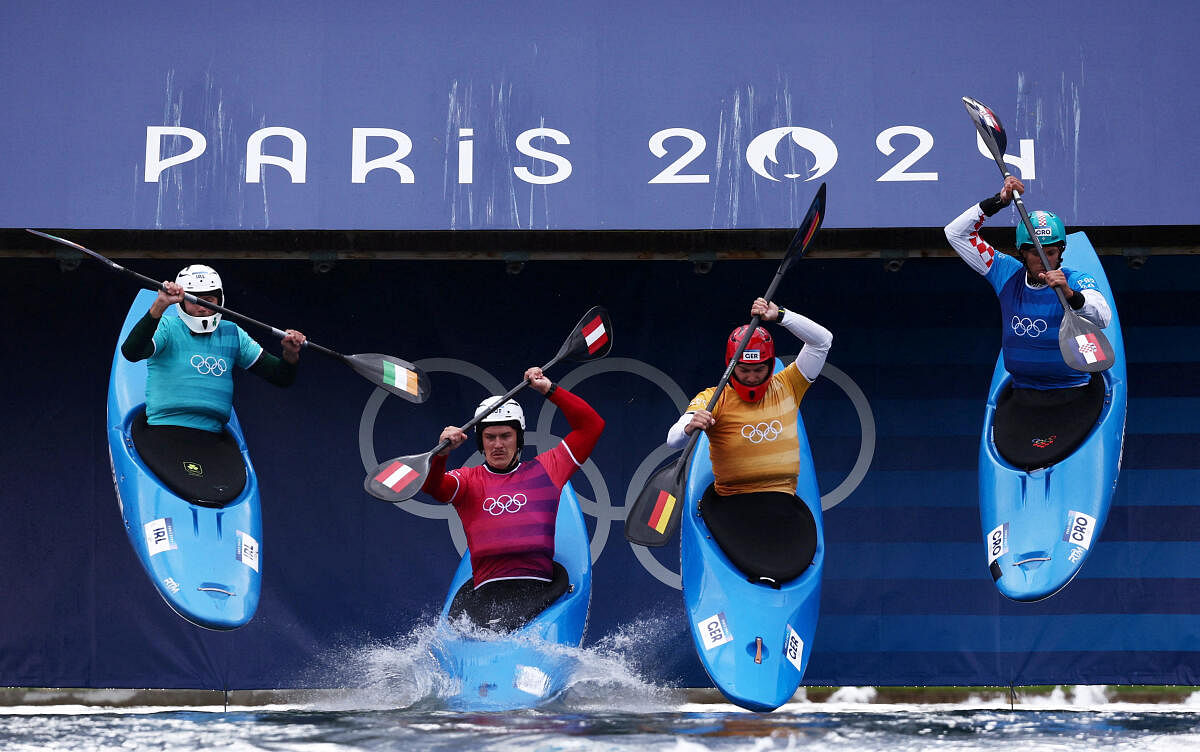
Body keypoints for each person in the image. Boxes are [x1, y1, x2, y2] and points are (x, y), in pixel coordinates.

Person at [944, 176, 1114, 468]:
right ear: (1023, 252)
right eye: (1036, 253)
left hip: (1074, 395)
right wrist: (997, 203)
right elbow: (956, 234)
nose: (1044, 260)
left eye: (1050, 252)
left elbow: (1102, 316)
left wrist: (1071, 296)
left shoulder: (1074, 279)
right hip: (1024, 396)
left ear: (1060, 252)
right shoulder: (1005, 272)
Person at [421, 366, 604, 632]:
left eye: (506, 436)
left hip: (539, 592)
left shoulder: (548, 470)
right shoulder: (468, 480)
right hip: (486, 599)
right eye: (490, 437)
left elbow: (592, 426)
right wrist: (441, 455)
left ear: (518, 438)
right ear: (480, 442)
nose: (498, 444)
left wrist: (549, 389)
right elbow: (433, 487)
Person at [665, 297, 832, 584]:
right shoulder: (713, 398)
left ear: (770, 365)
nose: (753, 378)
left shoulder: (789, 384)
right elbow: (673, 441)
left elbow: (822, 341)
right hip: (734, 505)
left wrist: (780, 315)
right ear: (731, 367)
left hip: (781, 504)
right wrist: (691, 425)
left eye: (759, 370)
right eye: (744, 370)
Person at [120, 265, 306, 501]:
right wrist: (159, 307)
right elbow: (131, 351)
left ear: (219, 300)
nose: (201, 307)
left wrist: (290, 355)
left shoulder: (232, 333)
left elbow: (281, 377)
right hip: (164, 432)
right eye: (193, 300)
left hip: (212, 439)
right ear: (181, 303)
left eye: (209, 300)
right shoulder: (167, 326)